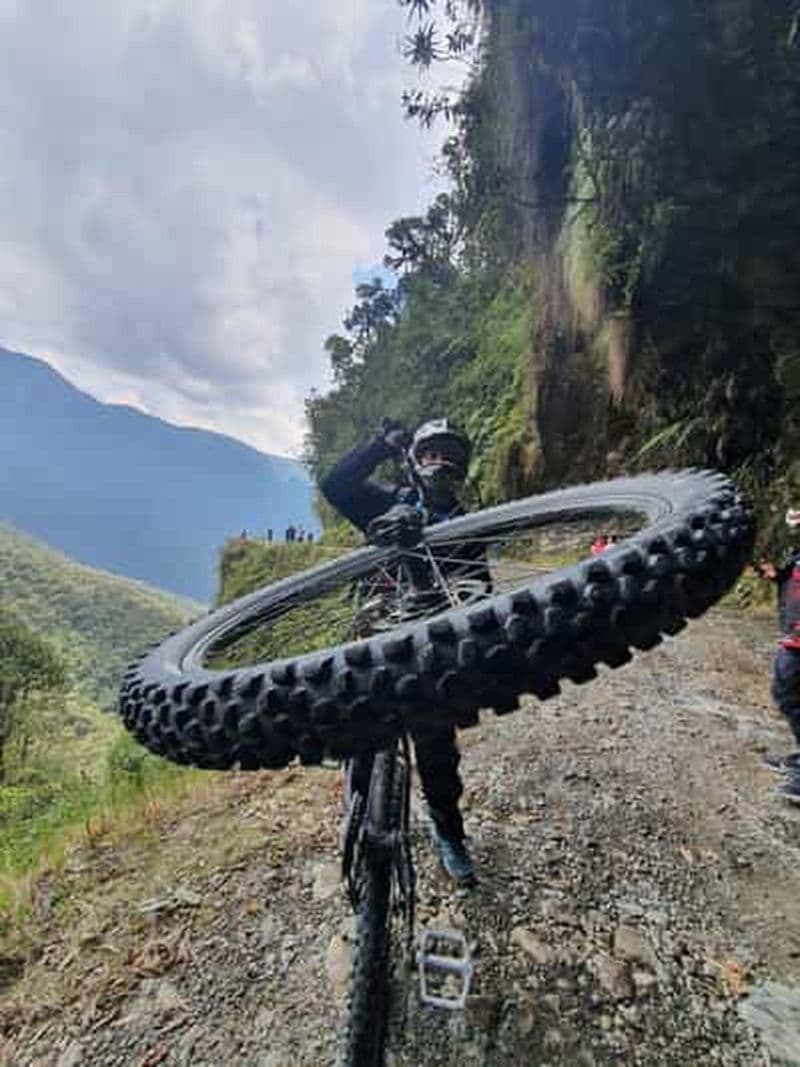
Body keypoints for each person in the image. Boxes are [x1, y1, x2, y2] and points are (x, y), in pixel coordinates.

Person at [320, 418, 478, 885]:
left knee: (437, 754)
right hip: (375, 631)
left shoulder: (471, 526)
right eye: (430, 453)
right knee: (360, 741)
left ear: (462, 467)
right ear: (414, 460)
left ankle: (448, 833)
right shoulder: (390, 502)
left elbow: (482, 592)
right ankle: (355, 817)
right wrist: (379, 445)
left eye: (449, 454)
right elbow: (336, 485)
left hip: (430, 649)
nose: (439, 461)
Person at [754, 508, 800, 801]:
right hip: (794, 635)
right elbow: (792, 580)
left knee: (788, 693)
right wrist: (776, 575)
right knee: (787, 694)